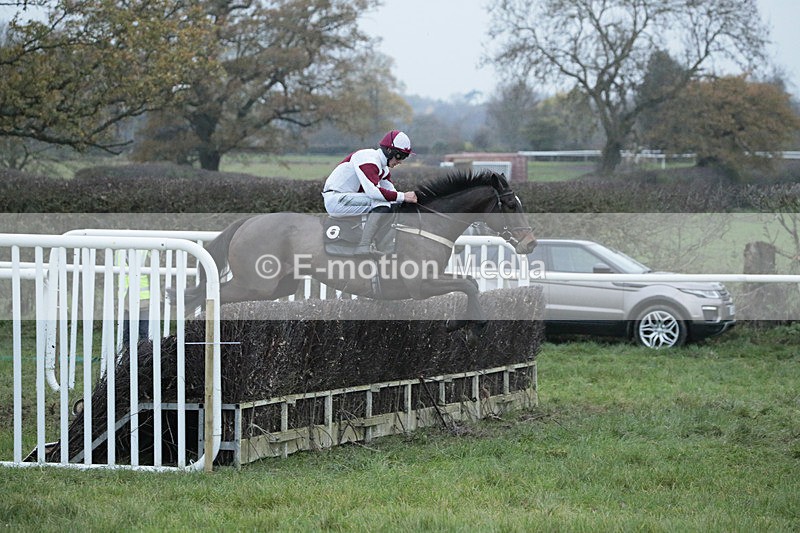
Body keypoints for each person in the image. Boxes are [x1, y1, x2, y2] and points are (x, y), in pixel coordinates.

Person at [322, 130, 418, 256]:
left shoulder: (382, 168)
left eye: (404, 157)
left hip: (347, 197)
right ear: (389, 151)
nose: (400, 161)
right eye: (400, 156)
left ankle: (382, 243)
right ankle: (364, 245)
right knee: (380, 202)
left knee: (391, 204)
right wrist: (403, 196)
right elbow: (373, 192)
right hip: (336, 200)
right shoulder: (368, 159)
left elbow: (392, 193)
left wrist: (410, 199)